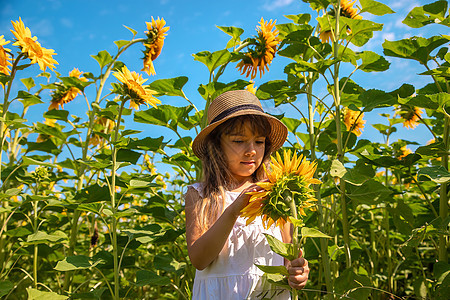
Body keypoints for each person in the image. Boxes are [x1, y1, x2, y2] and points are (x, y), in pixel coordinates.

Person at [185, 90, 310, 299]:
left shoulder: (277, 194)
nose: (251, 150)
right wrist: (233, 211)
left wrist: (297, 272)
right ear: (216, 146)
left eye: (259, 142)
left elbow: (289, 255)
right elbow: (199, 259)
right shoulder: (201, 195)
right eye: (238, 141)